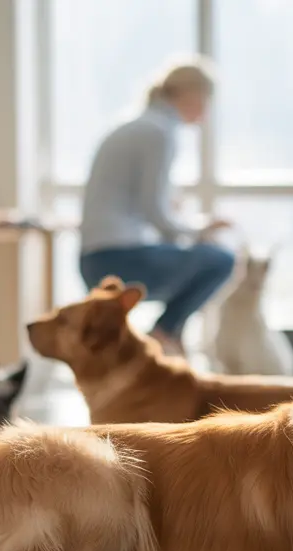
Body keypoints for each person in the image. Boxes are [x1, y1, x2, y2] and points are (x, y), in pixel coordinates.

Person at [78, 59, 234, 356]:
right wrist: (200, 230)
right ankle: (163, 333)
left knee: (200, 256)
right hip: (121, 260)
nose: (206, 111)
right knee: (220, 259)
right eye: (206, 100)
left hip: (94, 259)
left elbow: (145, 207)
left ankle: (165, 334)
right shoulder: (159, 133)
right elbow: (157, 213)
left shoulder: (134, 126)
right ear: (190, 95)